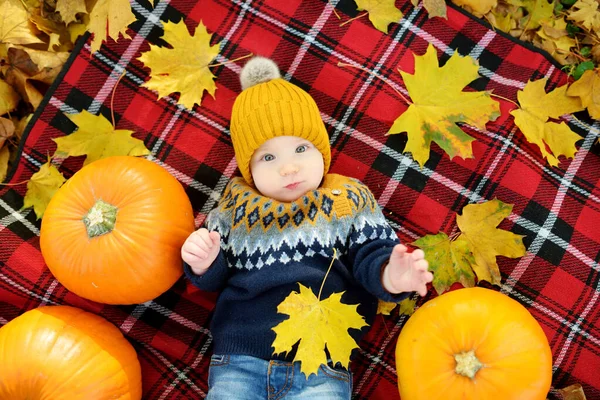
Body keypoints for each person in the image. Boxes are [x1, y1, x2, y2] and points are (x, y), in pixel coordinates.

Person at [181, 57, 433, 399]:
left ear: (322, 150)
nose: (289, 167)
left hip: (321, 364)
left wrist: (392, 275)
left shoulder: (347, 198)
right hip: (241, 358)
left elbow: (369, 257)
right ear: (248, 169)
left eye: (301, 148)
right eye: (268, 158)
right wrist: (203, 261)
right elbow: (214, 278)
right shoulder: (233, 207)